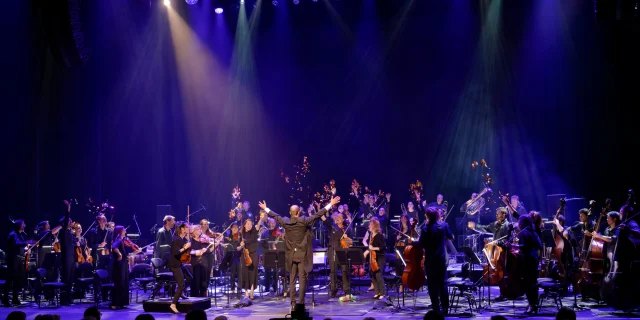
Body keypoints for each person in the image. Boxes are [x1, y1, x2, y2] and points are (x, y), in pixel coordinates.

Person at [258, 196, 340, 310]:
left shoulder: (286, 222)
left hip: (291, 255)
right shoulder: (303, 221)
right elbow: (318, 215)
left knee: (292, 279)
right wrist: (330, 204)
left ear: (290, 213)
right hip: (302, 255)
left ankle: (293, 303)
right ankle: (300, 303)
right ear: (299, 212)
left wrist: (266, 208)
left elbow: (275, 216)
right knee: (302, 279)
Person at [418, 207, 453, 314]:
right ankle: (445, 308)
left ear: (428, 216)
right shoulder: (444, 226)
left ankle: (435, 308)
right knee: (443, 283)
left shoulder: (425, 228)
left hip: (430, 260)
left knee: (432, 284)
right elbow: (451, 237)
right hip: (441, 260)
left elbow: (421, 244)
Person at [322, 211, 353, 301]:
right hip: (333, 251)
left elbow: (351, 242)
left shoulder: (347, 229)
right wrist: (321, 211)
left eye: (339, 217)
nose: (337, 218)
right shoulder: (332, 227)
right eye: (336, 217)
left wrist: (347, 238)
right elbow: (324, 219)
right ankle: (333, 290)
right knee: (333, 272)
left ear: (343, 219)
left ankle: (346, 290)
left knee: (344, 270)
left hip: (343, 252)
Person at [515, 214, 543, 314]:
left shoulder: (523, 233)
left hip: (527, 260)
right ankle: (534, 304)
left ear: (521, 223)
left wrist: (514, 246)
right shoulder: (533, 232)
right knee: (533, 283)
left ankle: (532, 305)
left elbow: (523, 246)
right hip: (534, 259)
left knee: (528, 284)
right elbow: (540, 245)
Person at [2, 220, 32, 306]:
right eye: (23, 225)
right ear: (19, 226)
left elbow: (21, 246)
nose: (24, 226)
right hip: (13, 260)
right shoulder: (13, 234)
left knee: (18, 279)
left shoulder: (20, 235)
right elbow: (17, 244)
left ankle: (15, 298)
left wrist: (26, 249)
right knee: (10, 279)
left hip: (18, 259)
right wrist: (27, 242)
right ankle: (5, 299)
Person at [239, 214, 265, 299]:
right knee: (245, 272)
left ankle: (252, 292)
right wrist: (241, 245)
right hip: (245, 255)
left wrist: (261, 219)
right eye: (247, 224)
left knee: (253, 272)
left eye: (250, 224)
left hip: (253, 254)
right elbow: (238, 247)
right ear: (244, 225)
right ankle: (246, 292)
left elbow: (258, 225)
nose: (249, 225)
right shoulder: (242, 234)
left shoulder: (254, 231)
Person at [168, 222, 192, 314]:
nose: (188, 228)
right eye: (187, 227)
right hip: (174, 264)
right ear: (182, 229)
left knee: (189, 277)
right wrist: (186, 247)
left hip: (179, 263)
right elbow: (176, 253)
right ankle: (173, 304)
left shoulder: (181, 239)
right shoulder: (177, 239)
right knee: (181, 284)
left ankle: (180, 292)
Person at [111, 225, 134, 309]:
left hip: (123, 264)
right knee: (119, 283)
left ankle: (121, 303)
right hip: (119, 265)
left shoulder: (122, 240)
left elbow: (126, 254)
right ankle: (115, 303)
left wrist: (134, 253)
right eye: (123, 230)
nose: (125, 231)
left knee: (124, 283)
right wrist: (119, 254)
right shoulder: (118, 240)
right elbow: (114, 247)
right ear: (119, 231)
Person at [364, 217, 386, 300]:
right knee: (371, 273)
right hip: (373, 257)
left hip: (380, 256)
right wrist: (367, 252)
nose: (369, 225)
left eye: (370, 224)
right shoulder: (370, 235)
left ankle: (383, 293)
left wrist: (373, 248)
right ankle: (377, 292)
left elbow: (383, 247)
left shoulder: (379, 235)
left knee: (378, 274)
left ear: (374, 226)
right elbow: (370, 247)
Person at [189, 225, 213, 297]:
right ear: (193, 231)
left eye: (200, 229)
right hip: (195, 264)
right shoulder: (191, 241)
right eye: (198, 229)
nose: (200, 230)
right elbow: (189, 251)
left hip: (204, 263)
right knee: (196, 283)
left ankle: (203, 299)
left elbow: (209, 251)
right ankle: (195, 301)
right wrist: (198, 251)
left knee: (204, 283)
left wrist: (216, 243)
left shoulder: (203, 240)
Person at [59, 200, 75, 305]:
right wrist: (68, 209)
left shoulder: (69, 232)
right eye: (69, 221)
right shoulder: (63, 231)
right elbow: (65, 223)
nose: (71, 222)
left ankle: (68, 298)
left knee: (70, 279)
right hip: (66, 258)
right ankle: (64, 299)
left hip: (71, 258)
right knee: (66, 278)